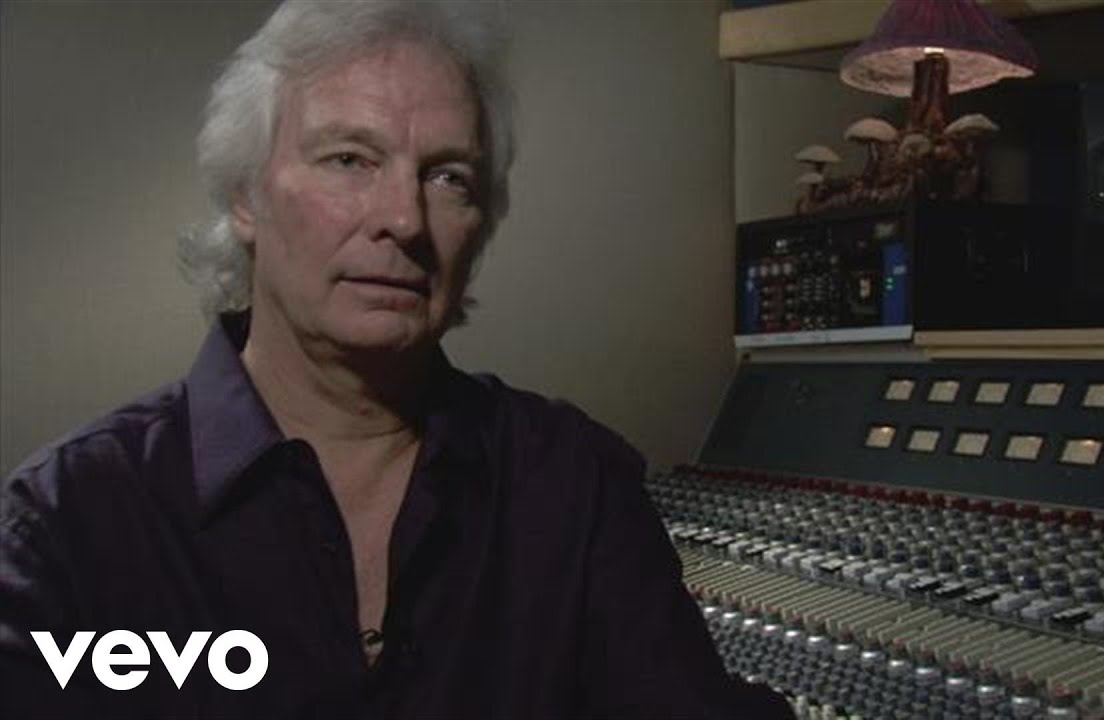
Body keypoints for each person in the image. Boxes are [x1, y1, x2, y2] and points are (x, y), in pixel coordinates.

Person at [0, 2, 792, 718]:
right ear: (246, 195)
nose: (405, 219)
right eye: (350, 159)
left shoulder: (571, 484)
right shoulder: (71, 522)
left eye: (448, 177)